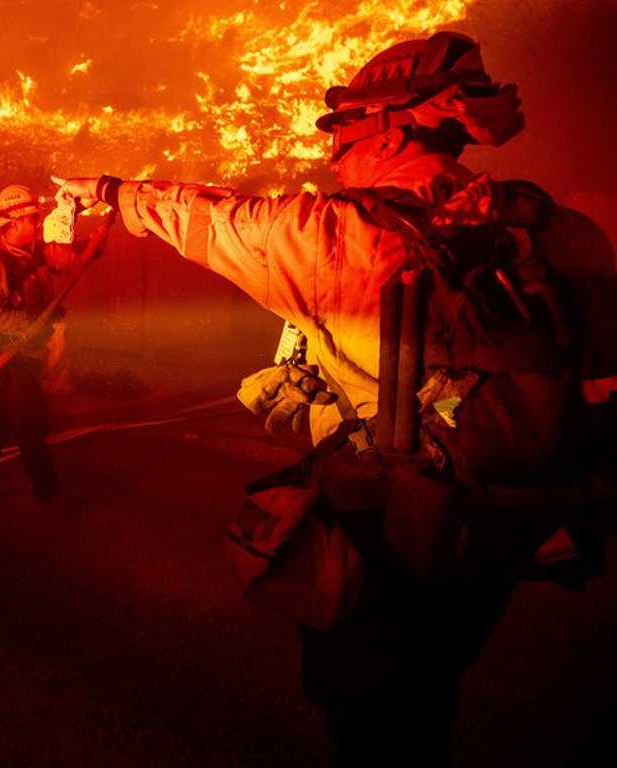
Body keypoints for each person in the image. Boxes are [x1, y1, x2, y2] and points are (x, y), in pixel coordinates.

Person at [56, 32, 616, 766]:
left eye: (344, 130)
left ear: (385, 129)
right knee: (431, 687)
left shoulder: (329, 234)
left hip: (384, 527)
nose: (335, 152)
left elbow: (208, 218)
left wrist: (107, 192)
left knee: (372, 716)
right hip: (509, 521)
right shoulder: (554, 227)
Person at [0, 183, 81, 506]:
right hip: (10, 354)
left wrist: (90, 239)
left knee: (2, 419)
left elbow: (67, 259)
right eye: (31, 219)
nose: (36, 224)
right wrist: (30, 325)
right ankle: (48, 493)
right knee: (32, 423)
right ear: (13, 224)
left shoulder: (36, 253)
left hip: (28, 351)